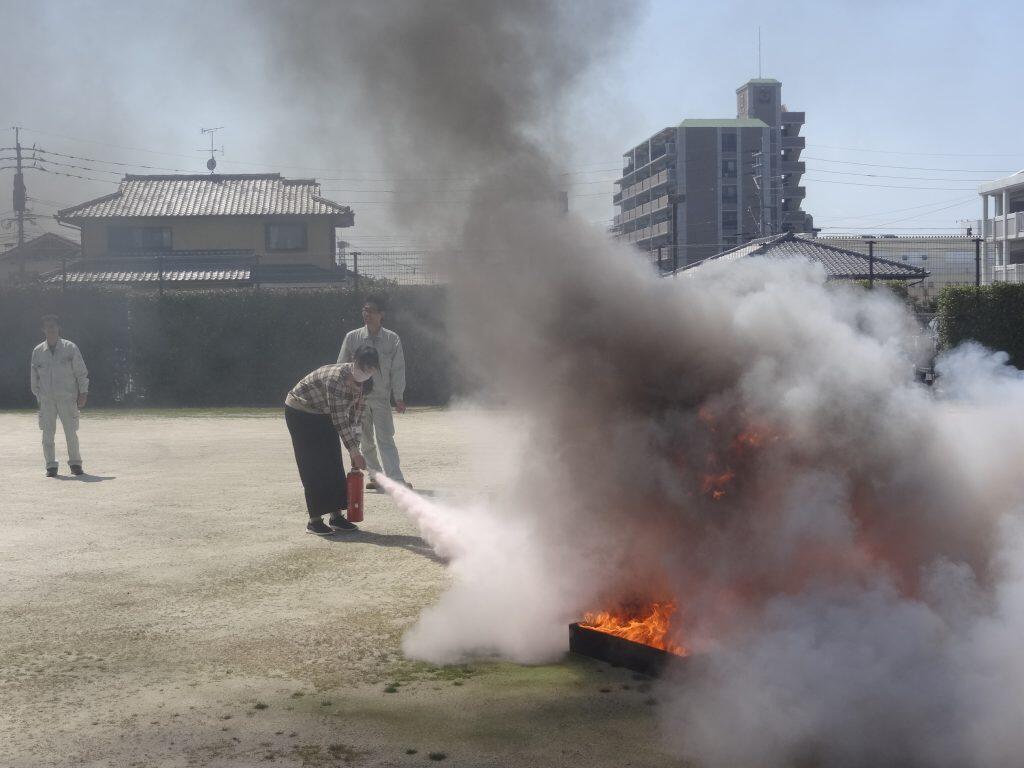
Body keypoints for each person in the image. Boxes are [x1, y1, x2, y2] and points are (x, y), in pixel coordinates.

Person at [285, 345, 379, 536]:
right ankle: (314, 521)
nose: (364, 374)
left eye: (370, 369)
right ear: (354, 360)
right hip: (301, 412)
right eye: (362, 367)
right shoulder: (335, 380)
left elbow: (356, 418)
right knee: (313, 465)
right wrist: (353, 451)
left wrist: (356, 447)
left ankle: (336, 517)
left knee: (333, 462)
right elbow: (339, 419)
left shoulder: (367, 384)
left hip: (323, 413)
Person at [338, 294, 410, 491]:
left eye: (371, 311)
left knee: (386, 437)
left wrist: (399, 396)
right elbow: (341, 367)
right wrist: (345, 395)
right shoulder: (352, 338)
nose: (366, 314)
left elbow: (398, 369)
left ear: (381, 315)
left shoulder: (392, 339)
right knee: (365, 439)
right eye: (364, 310)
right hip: (358, 398)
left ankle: (395, 479)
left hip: (381, 397)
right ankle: (376, 476)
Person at [30, 315, 89, 478]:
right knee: (47, 433)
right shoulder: (37, 351)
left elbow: (81, 372)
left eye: (53, 326)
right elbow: (34, 377)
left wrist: (83, 392)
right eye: (47, 327)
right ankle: (51, 466)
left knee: (71, 432)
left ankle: (75, 464)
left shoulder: (70, 348)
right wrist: (39, 397)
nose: (51, 329)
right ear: (43, 329)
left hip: (68, 398)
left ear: (58, 328)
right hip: (47, 400)